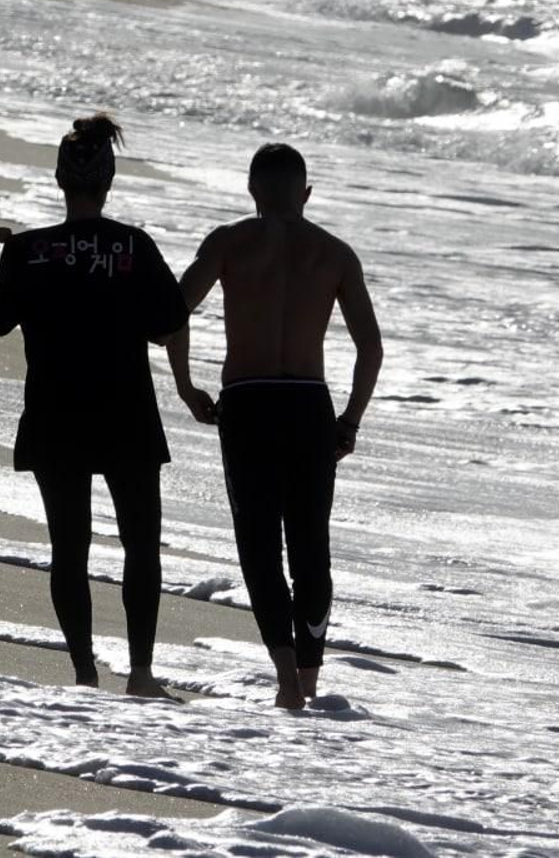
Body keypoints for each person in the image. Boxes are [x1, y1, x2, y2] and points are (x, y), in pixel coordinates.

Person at [0, 114, 189, 699]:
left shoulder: (27, 251)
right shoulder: (132, 246)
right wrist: (191, 389)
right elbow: (170, 322)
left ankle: (85, 675)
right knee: (140, 544)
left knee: (69, 547)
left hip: (54, 413)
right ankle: (140, 674)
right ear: (108, 180)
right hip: (127, 414)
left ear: (61, 181)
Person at [166, 143, 383, 710]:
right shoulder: (334, 253)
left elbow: (172, 312)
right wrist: (351, 419)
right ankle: (310, 681)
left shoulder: (229, 243)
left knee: (258, 546)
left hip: (248, 401)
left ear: (251, 190)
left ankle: (286, 680)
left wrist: (187, 387)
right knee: (311, 546)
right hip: (309, 404)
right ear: (306, 193)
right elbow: (371, 348)